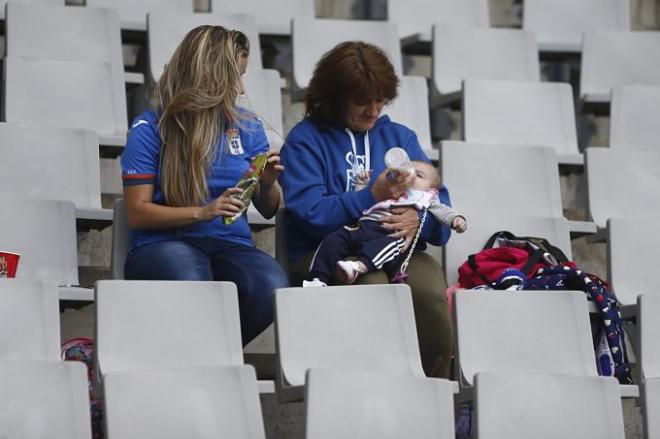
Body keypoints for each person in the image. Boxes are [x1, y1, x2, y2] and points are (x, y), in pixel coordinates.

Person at [279, 41, 456, 378]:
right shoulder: (305, 140)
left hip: (398, 249)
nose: (373, 110)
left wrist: (417, 219)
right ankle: (369, 397)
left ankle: (432, 399)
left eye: (380, 100)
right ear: (333, 97)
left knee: (429, 300)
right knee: (371, 289)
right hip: (327, 251)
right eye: (362, 100)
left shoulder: (400, 137)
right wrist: (371, 196)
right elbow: (310, 214)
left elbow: (440, 213)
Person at [120, 25, 288, 345]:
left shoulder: (247, 125)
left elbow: (269, 210)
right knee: (193, 280)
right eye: (234, 76)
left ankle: (206, 358)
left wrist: (267, 184)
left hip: (230, 244)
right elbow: (137, 214)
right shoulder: (150, 127)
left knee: (270, 284)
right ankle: (204, 364)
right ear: (208, 76)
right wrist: (202, 212)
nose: (239, 88)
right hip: (161, 244)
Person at [305, 160, 467, 286]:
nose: (411, 176)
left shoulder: (426, 198)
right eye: (409, 171)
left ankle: (358, 267)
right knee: (334, 240)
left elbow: (443, 211)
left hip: (390, 234)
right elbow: (365, 202)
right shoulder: (393, 188)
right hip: (362, 227)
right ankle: (317, 279)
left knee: (384, 246)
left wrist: (456, 219)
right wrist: (362, 185)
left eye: (419, 175)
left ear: (432, 191)